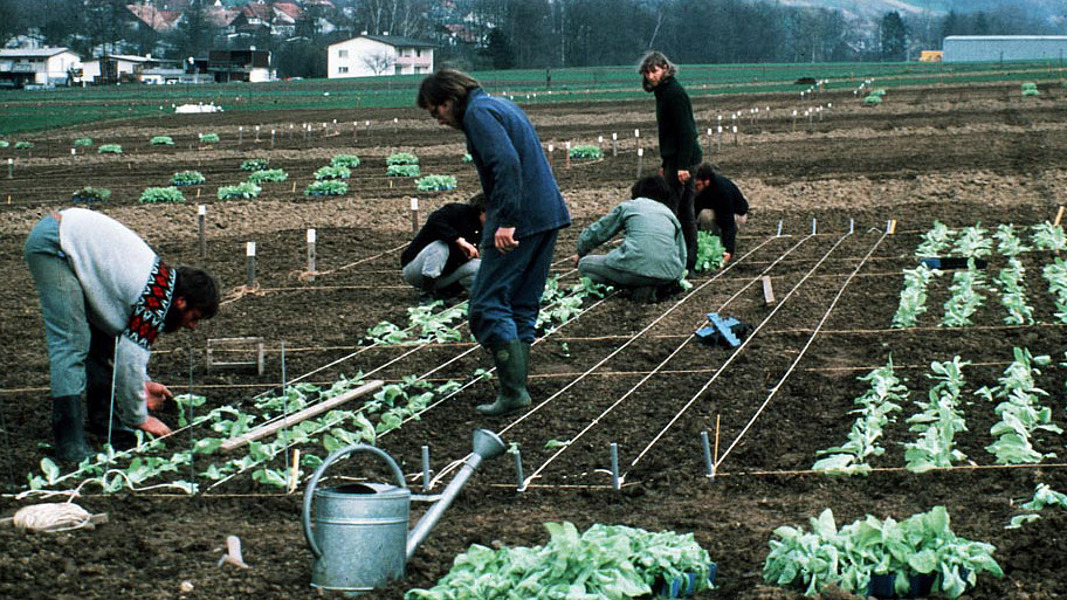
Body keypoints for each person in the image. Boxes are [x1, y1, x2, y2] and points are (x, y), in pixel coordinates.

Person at [418, 68, 571, 416]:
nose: (437, 119)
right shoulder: (501, 106)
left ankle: (513, 392)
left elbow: (506, 165)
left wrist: (506, 222)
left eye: (436, 110)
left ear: (451, 99)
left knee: (486, 304)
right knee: (521, 301)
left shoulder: (478, 114)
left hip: (521, 221)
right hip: (546, 215)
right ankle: (516, 389)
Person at [24, 208, 220, 463]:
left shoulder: (161, 287)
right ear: (181, 302)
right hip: (55, 245)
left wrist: (143, 384)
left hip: (67, 237)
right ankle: (69, 443)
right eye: (194, 317)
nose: (192, 326)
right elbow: (129, 359)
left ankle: (103, 423)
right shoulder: (156, 298)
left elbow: (122, 345)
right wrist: (140, 418)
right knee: (72, 342)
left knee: (99, 341)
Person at [573, 175, 686, 303]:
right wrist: (677, 276)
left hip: (633, 270)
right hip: (666, 275)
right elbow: (682, 252)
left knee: (585, 265)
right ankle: (654, 287)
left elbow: (600, 231)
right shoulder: (669, 214)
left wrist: (580, 251)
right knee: (647, 269)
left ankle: (632, 286)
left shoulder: (630, 206)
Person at [639, 50, 702, 274]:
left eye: (654, 71)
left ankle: (671, 262)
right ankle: (688, 262)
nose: (650, 76)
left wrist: (682, 166)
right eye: (647, 72)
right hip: (675, 159)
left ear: (665, 68)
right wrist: (666, 163)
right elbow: (670, 134)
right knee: (684, 211)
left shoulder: (674, 93)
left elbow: (686, 132)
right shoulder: (663, 92)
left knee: (670, 212)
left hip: (683, 160)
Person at [401, 193, 486, 299]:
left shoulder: (481, 229)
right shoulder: (457, 211)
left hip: (443, 276)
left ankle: (447, 293)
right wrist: (459, 240)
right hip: (415, 269)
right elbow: (435, 220)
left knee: (479, 265)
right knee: (440, 246)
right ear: (483, 210)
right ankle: (426, 294)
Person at [693, 162, 749, 265]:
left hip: (736, 215)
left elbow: (728, 223)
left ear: (707, 181)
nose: (695, 188)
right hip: (716, 210)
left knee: (706, 216)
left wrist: (728, 251)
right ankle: (709, 243)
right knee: (704, 215)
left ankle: (716, 245)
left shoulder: (722, 191)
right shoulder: (700, 190)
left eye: (697, 185)